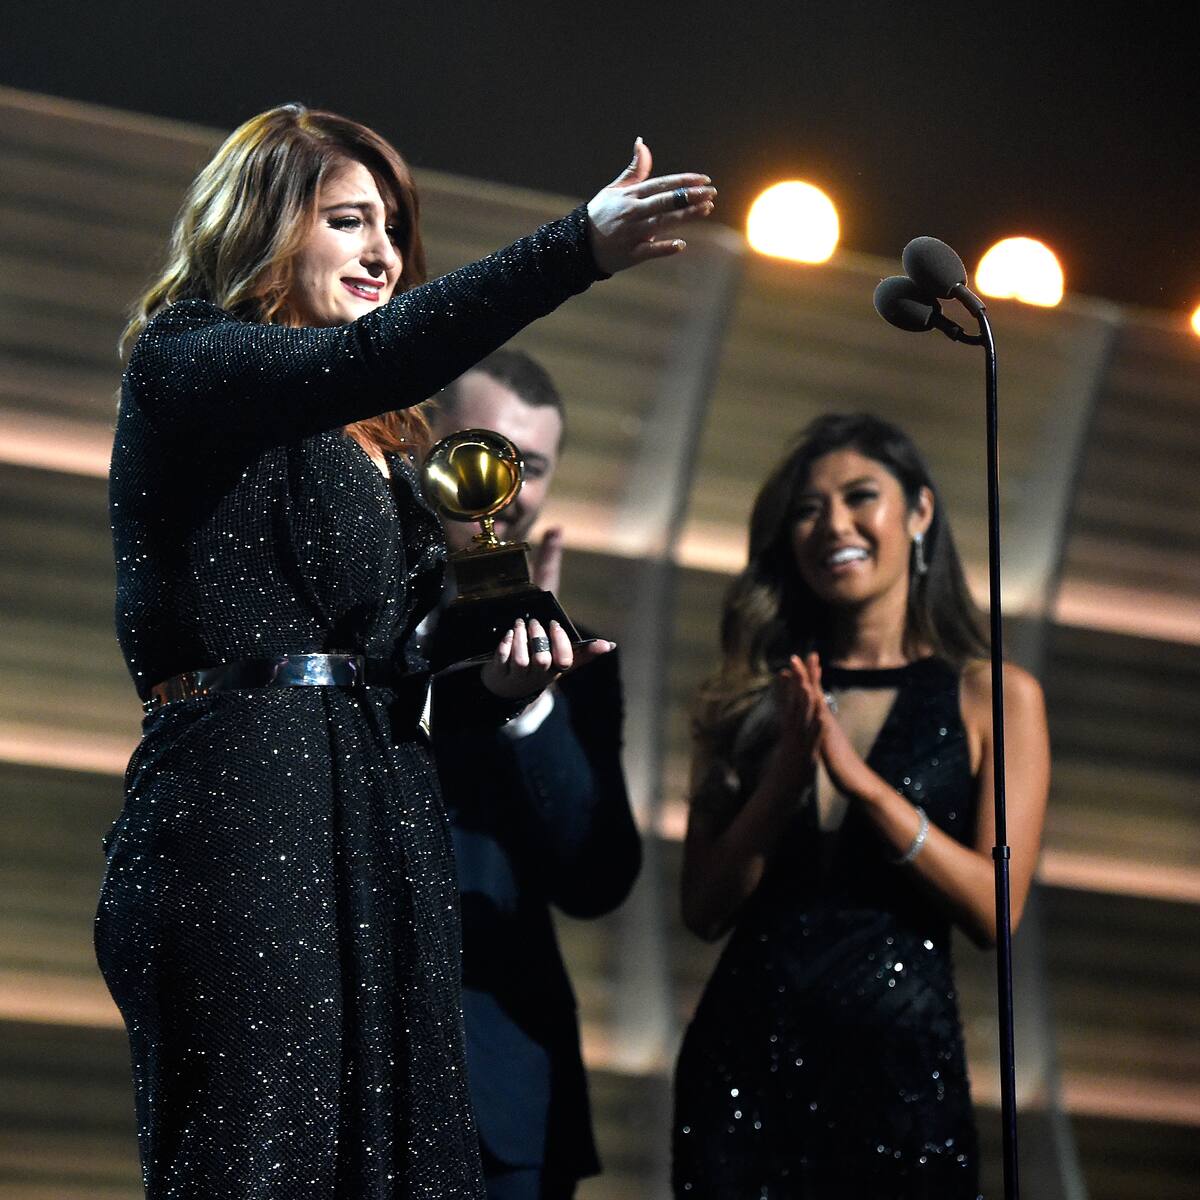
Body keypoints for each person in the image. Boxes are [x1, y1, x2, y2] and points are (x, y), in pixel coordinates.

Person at [93, 102, 713, 1199]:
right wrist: (574, 247)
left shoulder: (384, 443)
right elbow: (371, 357)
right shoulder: (184, 359)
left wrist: (509, 665)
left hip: (382, 818)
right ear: (263, 222)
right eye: (348, 221)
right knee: (264, 1159)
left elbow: (412, 659)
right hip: (245, 815)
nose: (384, 252)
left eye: (392, 228)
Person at [671, 413, 1050, 1199]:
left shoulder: (993, 696)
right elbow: (703, 909)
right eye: (808, 510)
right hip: (745, 1073)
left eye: (860, 497)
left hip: (902, 1084)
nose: (834, 525)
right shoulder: (751, 697)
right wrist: (785, 776)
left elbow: (993, 912)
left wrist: (864, 786)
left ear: (919, 511)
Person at [425, 350, 642, 1200]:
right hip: (325, 1073)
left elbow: (598, 877)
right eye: (484, 450)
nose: (504, 487)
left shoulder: (578, 658)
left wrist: (531, 706)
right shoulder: (334, 623)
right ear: (422, 440)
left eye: (532, 467)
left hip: (503, 1098)